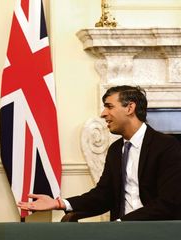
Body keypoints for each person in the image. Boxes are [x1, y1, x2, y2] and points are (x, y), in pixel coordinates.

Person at [17, 85, 181, 221]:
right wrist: (59, 203)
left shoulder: (166, 146)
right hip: (121, 232)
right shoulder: (116, 149)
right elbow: (103, 195)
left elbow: (169, 202)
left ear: (130, 108)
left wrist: (122, 224)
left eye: (109, 106)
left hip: (156, 231)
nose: (103, 114)